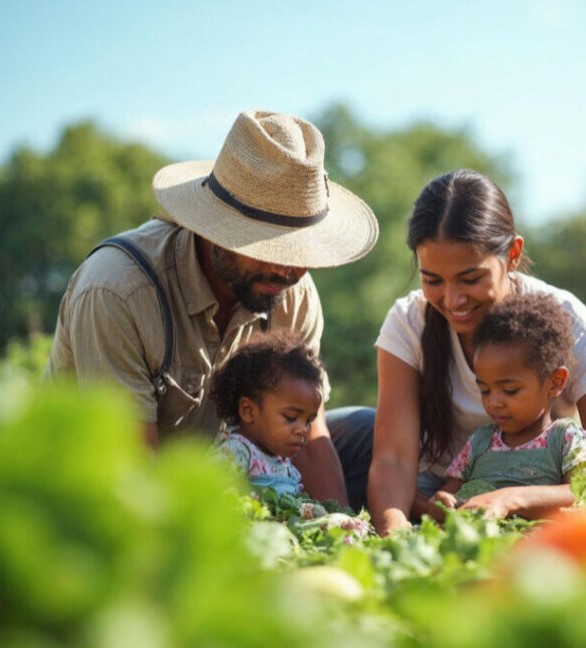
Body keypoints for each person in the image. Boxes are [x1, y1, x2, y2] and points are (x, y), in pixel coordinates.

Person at [45, 110, 378, 506]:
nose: (287, 269)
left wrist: (335, 523)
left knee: (364, 434)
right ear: (216, 229)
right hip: (101, 484)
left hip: (220, 472)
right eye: (269, 246)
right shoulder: (119, 291)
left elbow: (310, 428)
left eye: (298, 250)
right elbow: (131, 472)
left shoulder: (291, 290)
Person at [368, 169, 586, 535]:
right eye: (433, 279)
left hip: (541, 490)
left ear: (512, 254)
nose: (453, 300)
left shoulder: (573, 324)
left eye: (470, 279)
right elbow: (393, 460)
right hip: (441, 489)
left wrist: (511, 498)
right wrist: (394, 530)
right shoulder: (409, 321)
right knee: (357, 427)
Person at [429, 293, 586, 518]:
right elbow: (448, 494)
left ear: (555, 382)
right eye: (485, 390)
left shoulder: (565, 439)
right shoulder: (480, 442)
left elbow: (582, 495)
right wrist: (442, 501)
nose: (494, 402)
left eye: (510, 390)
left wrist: (513, 500)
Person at [208, 331, 324, 497]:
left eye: (309, 420)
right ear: (248, 411)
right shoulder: (236, 452)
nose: (303, 430)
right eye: (290, 418)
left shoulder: (282, 461)